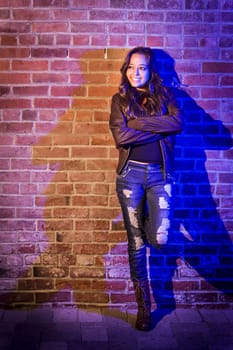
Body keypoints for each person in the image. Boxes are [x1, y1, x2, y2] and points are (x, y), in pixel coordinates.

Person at [109, 46, 183, 331]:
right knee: (136, 242)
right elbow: (121, 135)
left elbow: (178, 122)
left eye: (141, 67)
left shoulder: (166, 96)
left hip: (159, 176)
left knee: (160, 238)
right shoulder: (119, 99)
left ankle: (151, 222)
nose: (135, 72)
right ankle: (144, 307)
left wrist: (137, 122)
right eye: (130, 67)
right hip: (129, 176)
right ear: (125, 70)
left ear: (151, 71)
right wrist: (158, 127)